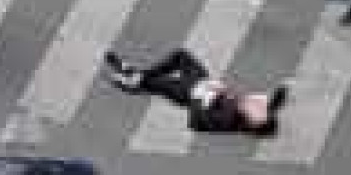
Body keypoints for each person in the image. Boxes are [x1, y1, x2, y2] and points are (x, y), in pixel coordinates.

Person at [105, 48, 288, 136]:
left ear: (252, 123)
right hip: (203, 80)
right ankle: (137, 76)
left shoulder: (228, 119)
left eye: (258, 114)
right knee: (180, 56)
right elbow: (276, 98)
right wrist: (282, 91)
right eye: (263, 111)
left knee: (156, 83)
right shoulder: (257, 107)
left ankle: (130, 78)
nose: (258, 107)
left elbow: (195, 122)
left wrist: (203, 97)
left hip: (188, 93)